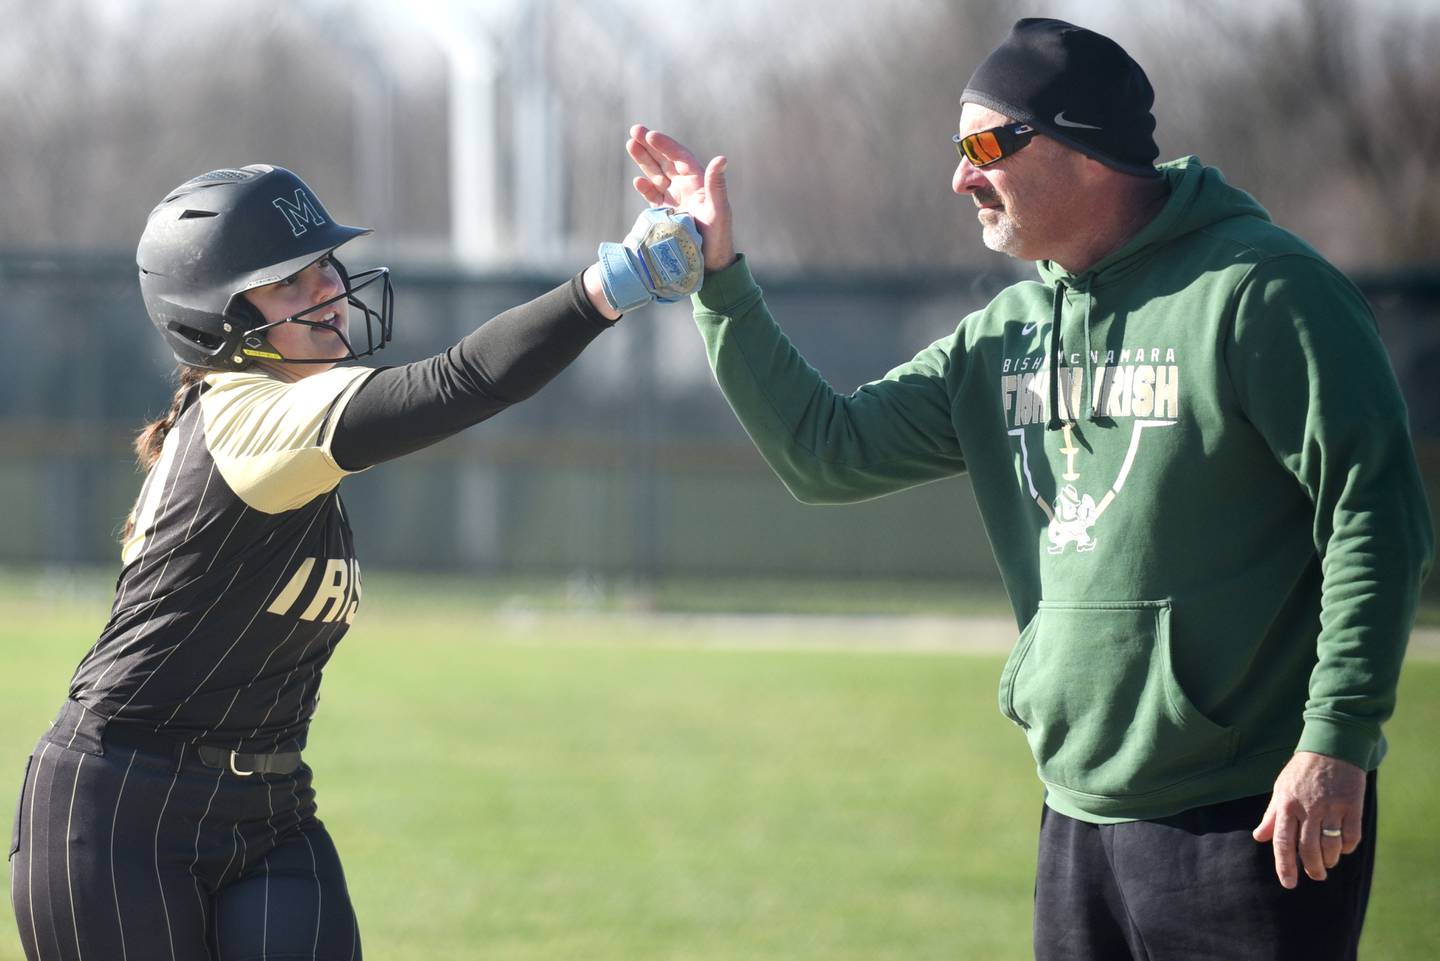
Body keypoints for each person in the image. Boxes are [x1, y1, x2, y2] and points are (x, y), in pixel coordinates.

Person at [625, 17, 1433, 961]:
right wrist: (721, 281)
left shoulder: (1263, 292)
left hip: (1254, 815)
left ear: (1081, 145)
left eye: (983, 145)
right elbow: (825, 449)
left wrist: (1336, 738)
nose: (960, 177)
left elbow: (1374, 516)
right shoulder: (1003, 334)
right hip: (1076, 816)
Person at [7, 163, 701, 960]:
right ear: (216, 318)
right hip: (120, 811)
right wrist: (614, 283)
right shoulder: (245, 415)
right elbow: (462, 379)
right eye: (289, 281)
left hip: (269, 808)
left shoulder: (276, 420)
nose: (327, 289)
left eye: (324, 265)